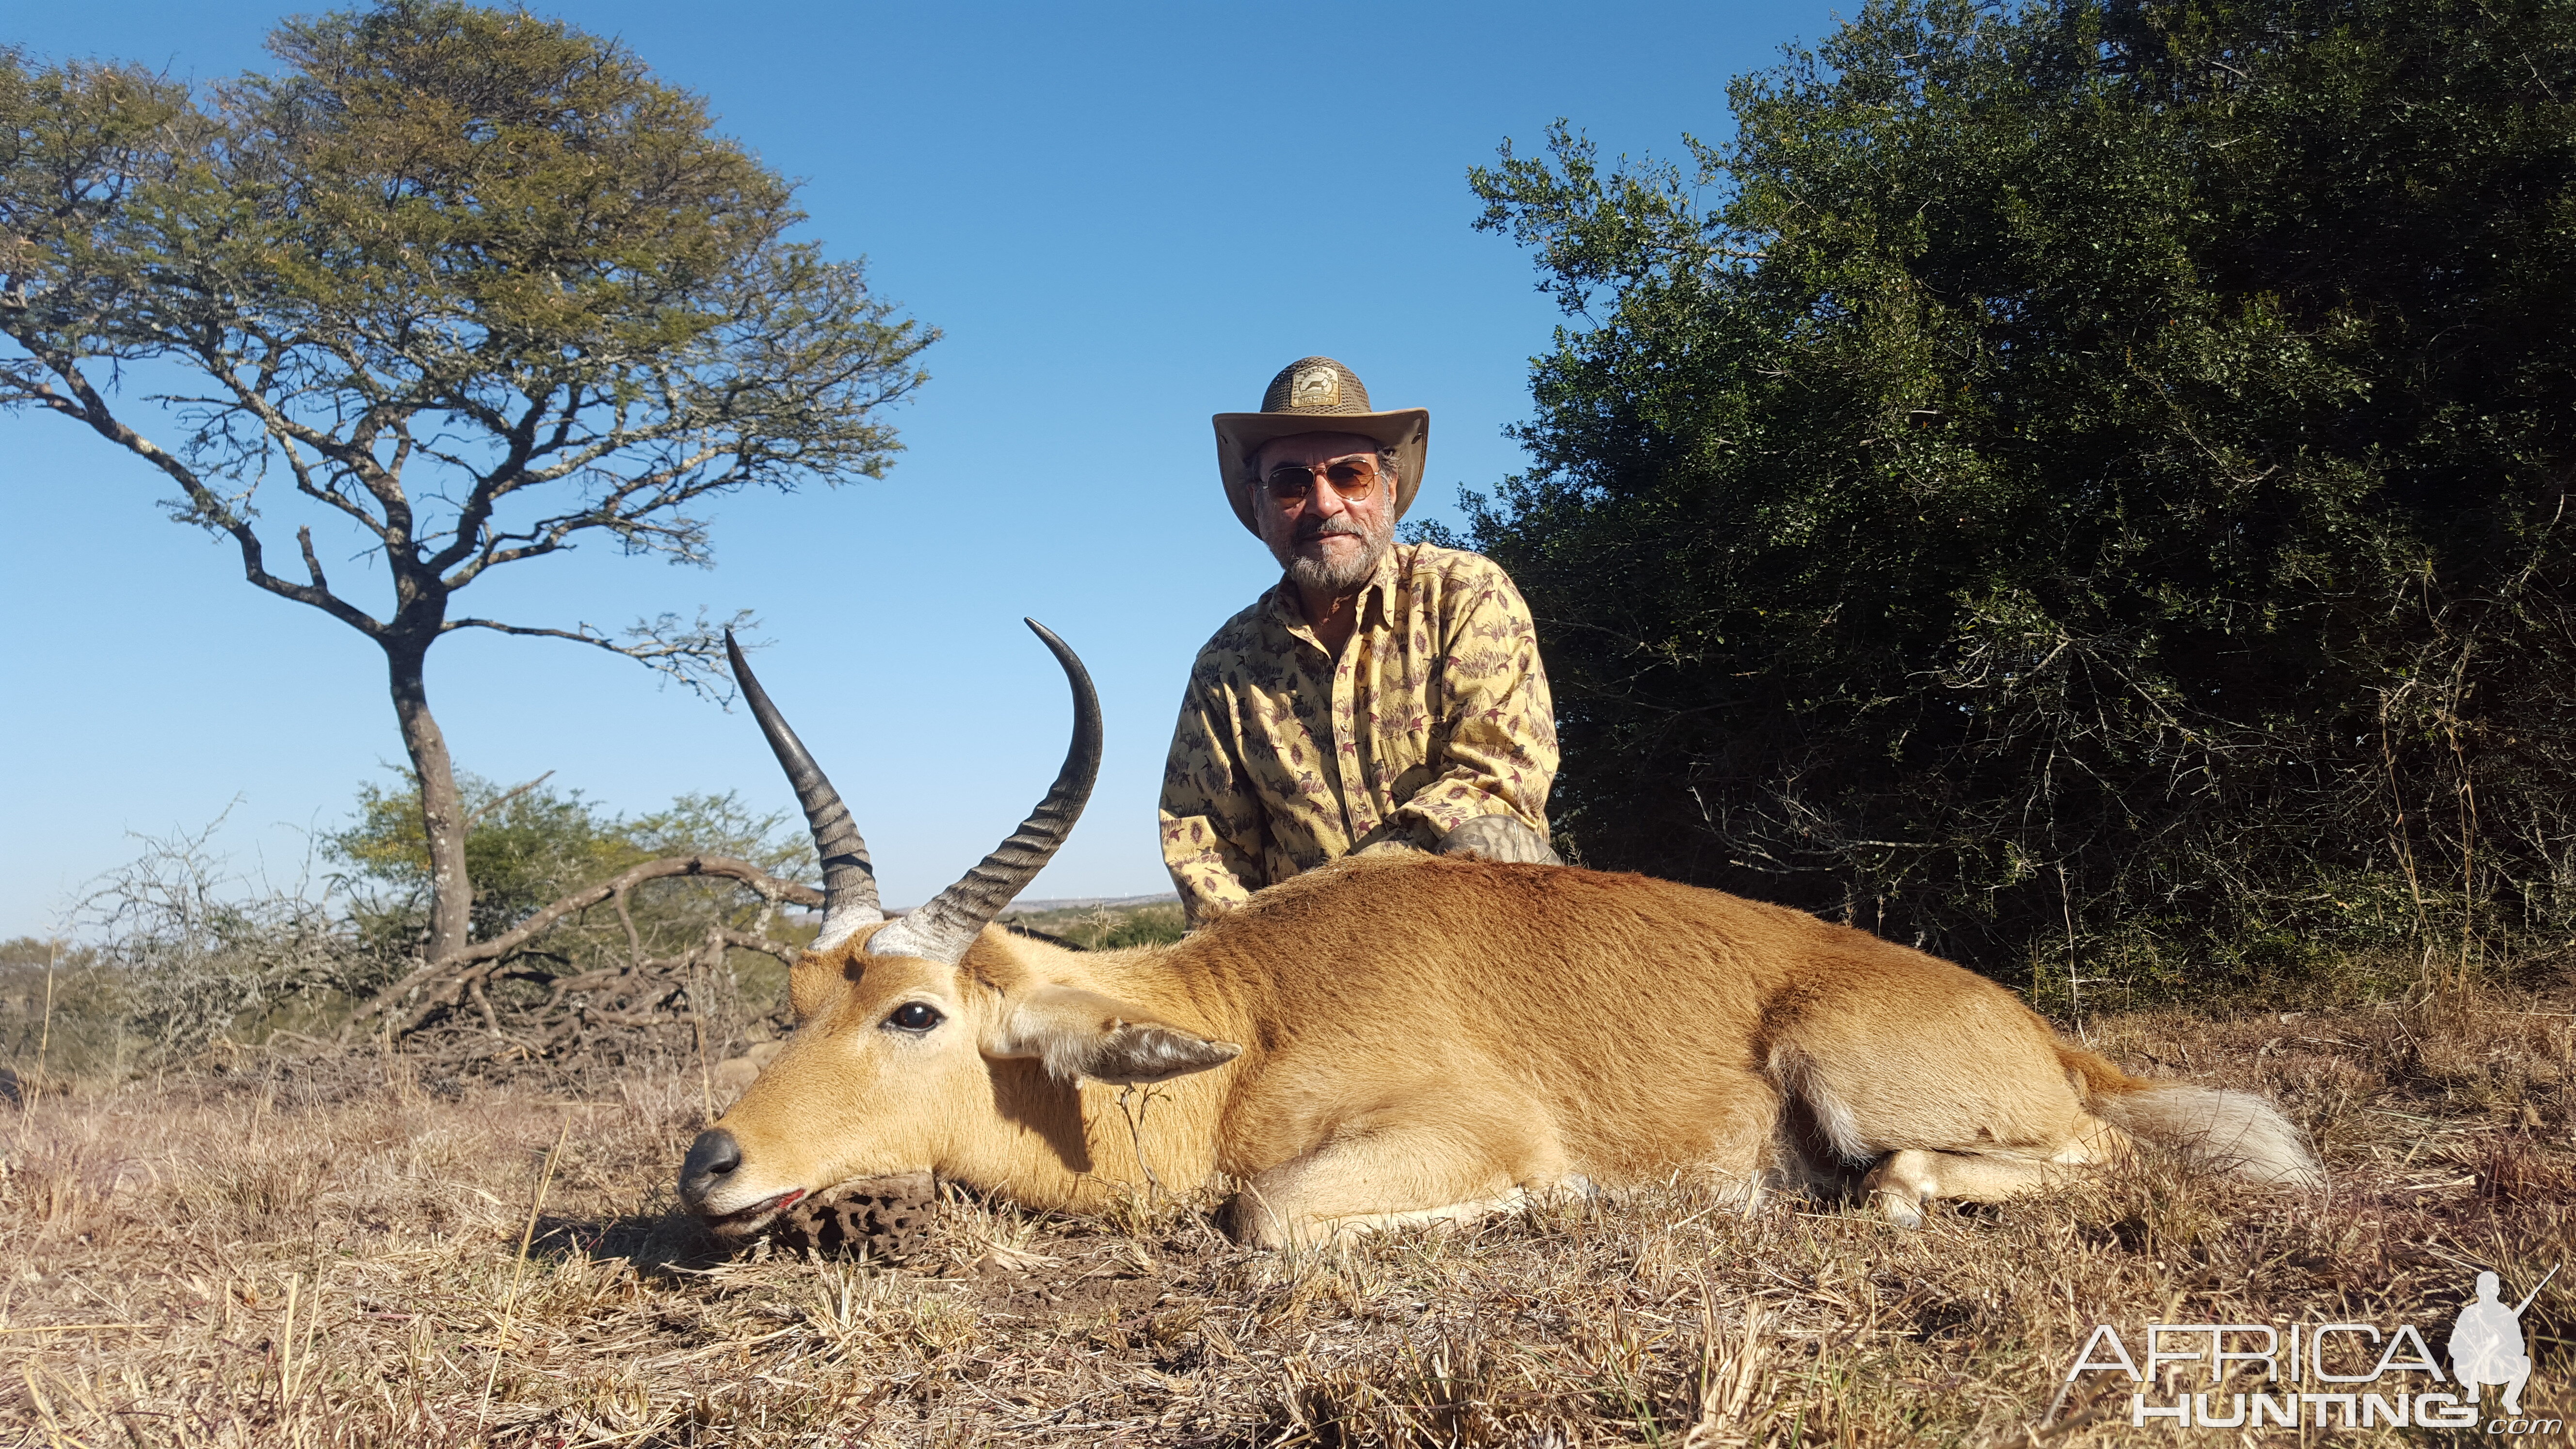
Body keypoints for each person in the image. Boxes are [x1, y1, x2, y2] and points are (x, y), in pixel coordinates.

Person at [1159, 355, 1560, 924]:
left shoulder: (1464, 594)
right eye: (1291, 483)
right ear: (1258, 502)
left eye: (1350, 475)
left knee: (1493, 838)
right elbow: (1205, 849)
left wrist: (1344, 910)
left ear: (1389, 487)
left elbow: (1498, 783)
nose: (1324, 504)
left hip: (1476, 936)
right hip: (1314, 972)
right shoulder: (1225, 664)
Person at [2448, 1271, 2533, 1416]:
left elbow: (2519, 1347)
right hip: (2471, 1368)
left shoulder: (2506, 1313)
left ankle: (2510, 1400)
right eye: (2484, 1289)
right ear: (2477, 1291)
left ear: (2498, 1291)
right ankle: (2473, 1395)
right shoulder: (2469, 1314)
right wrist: (2472, 1350)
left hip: (2499, 1366)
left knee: (2525, 1363)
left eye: (2492, 1289)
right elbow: (2454, 1347)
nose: (2488, 1293)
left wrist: (2502, 1343)